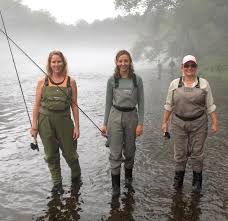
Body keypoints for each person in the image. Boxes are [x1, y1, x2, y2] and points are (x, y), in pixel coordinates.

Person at [161, 55, 219, 193]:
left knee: (197, 153)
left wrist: (215, 122)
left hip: (199, 123)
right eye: (186, 65)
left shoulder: (204, 84)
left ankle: (197, 182)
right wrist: (164, 122)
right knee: (180, 153)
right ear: (182, 67)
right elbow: (169, 105)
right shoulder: (175, 84)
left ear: (196, 67)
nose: (189, 68)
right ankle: (178, 181)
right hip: (178, 123)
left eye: (192, 65)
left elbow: (210, 105)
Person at [30, 50, 81, 194]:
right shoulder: (42, 82)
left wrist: (77, 126)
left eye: (59, 61)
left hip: (65, 121)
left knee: (70, 154)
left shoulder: (71, 82)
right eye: (53, 62)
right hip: (45, 122)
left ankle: (76, 177)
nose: (56, 64)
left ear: (63, 63)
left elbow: (74, 105)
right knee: (51, 155)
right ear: (49, 64)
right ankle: (57, 184)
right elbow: (36, 105)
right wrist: (34, 126)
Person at [101, 50, 144, 197]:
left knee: (130, 151)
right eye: (120, 61)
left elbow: (142, 103)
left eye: (126, 61)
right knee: (115, 153)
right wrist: (105, 124)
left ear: (130, 62)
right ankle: (115, 188)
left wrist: (141, 123)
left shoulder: (137, 80)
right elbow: (107, 103)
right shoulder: (112, 80)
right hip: (115, 117)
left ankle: (129, 180)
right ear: (116, 62)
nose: (123, 63)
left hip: (132, 116)